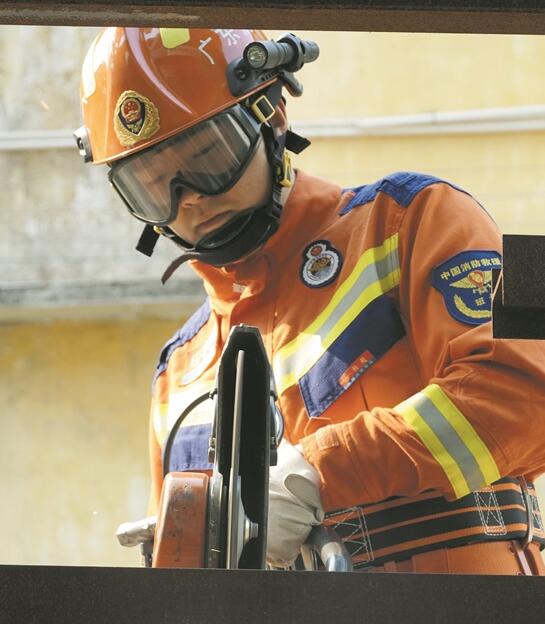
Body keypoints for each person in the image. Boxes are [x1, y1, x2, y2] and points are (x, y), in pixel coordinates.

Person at [76, 27, 545, 574]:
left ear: (272, 115)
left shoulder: (414, 218)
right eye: (153, 187)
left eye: (207, 157)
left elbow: (526, 392)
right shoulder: (176, 373)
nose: (190, 200)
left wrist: (320, 473)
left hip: (463, 607)